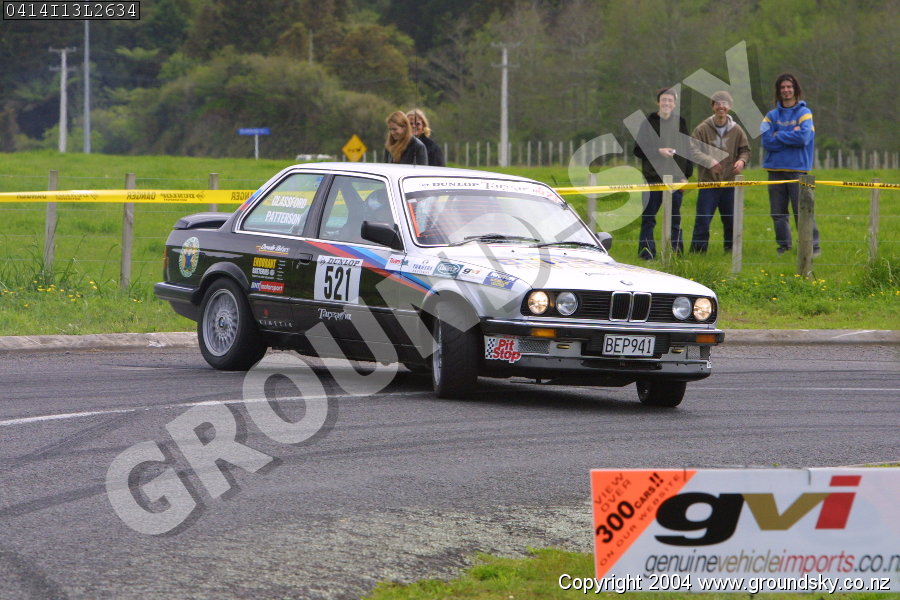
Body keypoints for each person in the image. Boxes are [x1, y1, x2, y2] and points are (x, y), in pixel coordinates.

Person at [760, 73, 821, 256]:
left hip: (798, 171)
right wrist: (790, 135)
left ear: (795, 89)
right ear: (778, 91)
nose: (786, 90)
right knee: (778, 214)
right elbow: (766, 141)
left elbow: (803, 138)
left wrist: (778, 134)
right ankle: (784, 247)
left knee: (803, 211)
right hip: (775, 171)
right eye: (783, 87)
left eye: (789, 87)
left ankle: (812, 247)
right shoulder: (770, 116)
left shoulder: (805, 113)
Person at [633, 87, 693, 259]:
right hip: (653, 179)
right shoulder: (647, 123)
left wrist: (686, 175)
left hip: (675, 179)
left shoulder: (681, 122)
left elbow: (687, 150)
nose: (667, 103)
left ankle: (676, 253)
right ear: (658, 102)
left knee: (675, 219)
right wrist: (658, 151)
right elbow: (638, 150)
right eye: (664, 100)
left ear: (674, 104)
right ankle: (646, 253)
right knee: (649, 218)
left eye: (670, 100)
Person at [689, 91, 751, 253]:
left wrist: (741, 161)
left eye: (724, 103)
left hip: (730, 183)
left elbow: (745, 150)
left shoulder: (737, 130)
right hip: (708, 182)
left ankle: (731, 250)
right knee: (703, 220)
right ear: (712, 107)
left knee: (731, 220)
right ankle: (698, 252)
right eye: (717, 103)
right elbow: (692, 150)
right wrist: (709, 161)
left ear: (729, 107)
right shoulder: (702, 129)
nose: (721, 107)